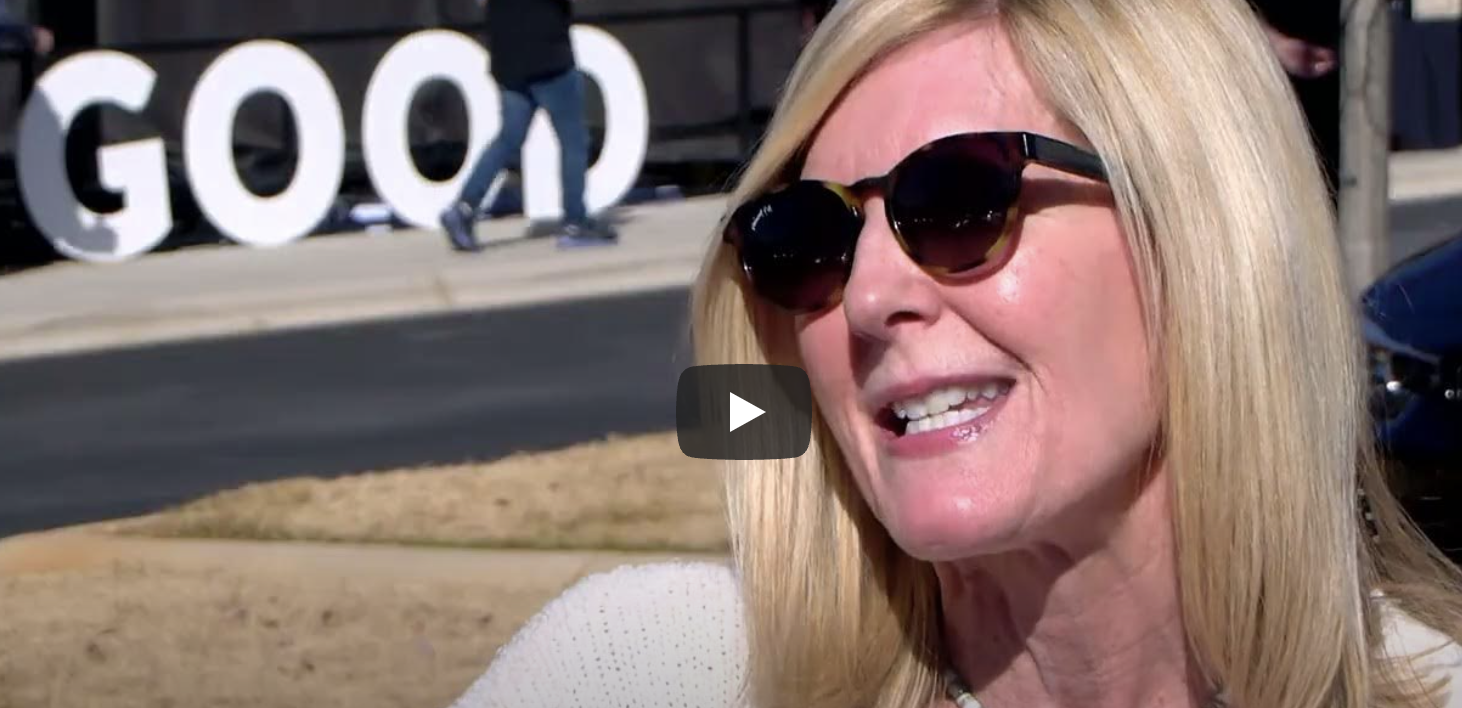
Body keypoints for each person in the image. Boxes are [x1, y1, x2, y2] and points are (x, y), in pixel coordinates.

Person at [451, 1, 1462, 707]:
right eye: (810, 238)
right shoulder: (641, 671)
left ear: (1199, 238)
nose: (871, 297)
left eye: (959, 200)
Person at [439, 0, 617, 253]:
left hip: (508, 57)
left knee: (508, 140)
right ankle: (575, 221)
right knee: (574, 141)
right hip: (548, 54)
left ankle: (464, 208)